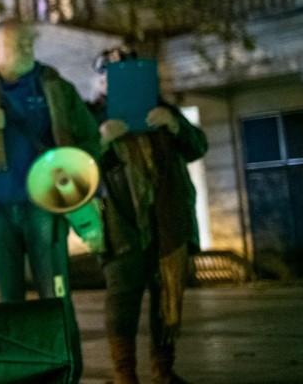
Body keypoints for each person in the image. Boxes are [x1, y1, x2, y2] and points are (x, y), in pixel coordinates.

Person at [0, 18, 101, 378]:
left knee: (55, 299)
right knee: (6, 304)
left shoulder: (55, 89)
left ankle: (66, 373)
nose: (29, 50)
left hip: (46, 211)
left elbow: (90, 142)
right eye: (19, 44)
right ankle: (18, 375)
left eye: (29, 43)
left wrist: (72, 170)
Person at [88, 47, 208, 384]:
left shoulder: (162, 109)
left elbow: (197, 146)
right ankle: (123, 374)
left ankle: (163, 371)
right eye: (109, 76)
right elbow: (73, 168)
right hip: (118, 225)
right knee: (122, 301)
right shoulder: (90, 116)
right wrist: (101, 140)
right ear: (99, 82)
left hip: (168, 223)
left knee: (166, 298)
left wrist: (173, 125)